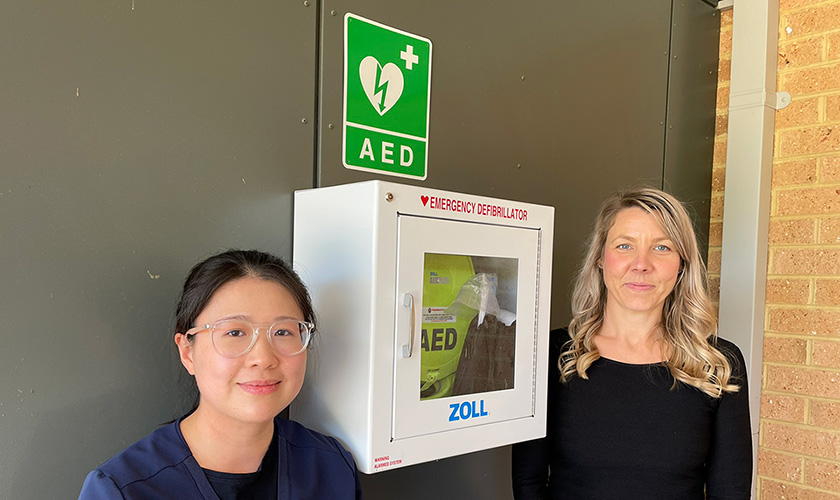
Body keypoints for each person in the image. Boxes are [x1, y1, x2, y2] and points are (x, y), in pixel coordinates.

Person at [511, 188, 752, 500]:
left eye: (662, 248)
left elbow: (730, 493)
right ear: (600, 258)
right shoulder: (551, 354)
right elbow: (528, 483)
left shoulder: (718, 364)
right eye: (625, 245)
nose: (641, 264)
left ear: (681, 264)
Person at [79, 249, 363, 499]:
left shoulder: (331, 467)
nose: (263, 358)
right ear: (187, 352)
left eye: (283, 331)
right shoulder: (123, 489)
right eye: (235, 332)